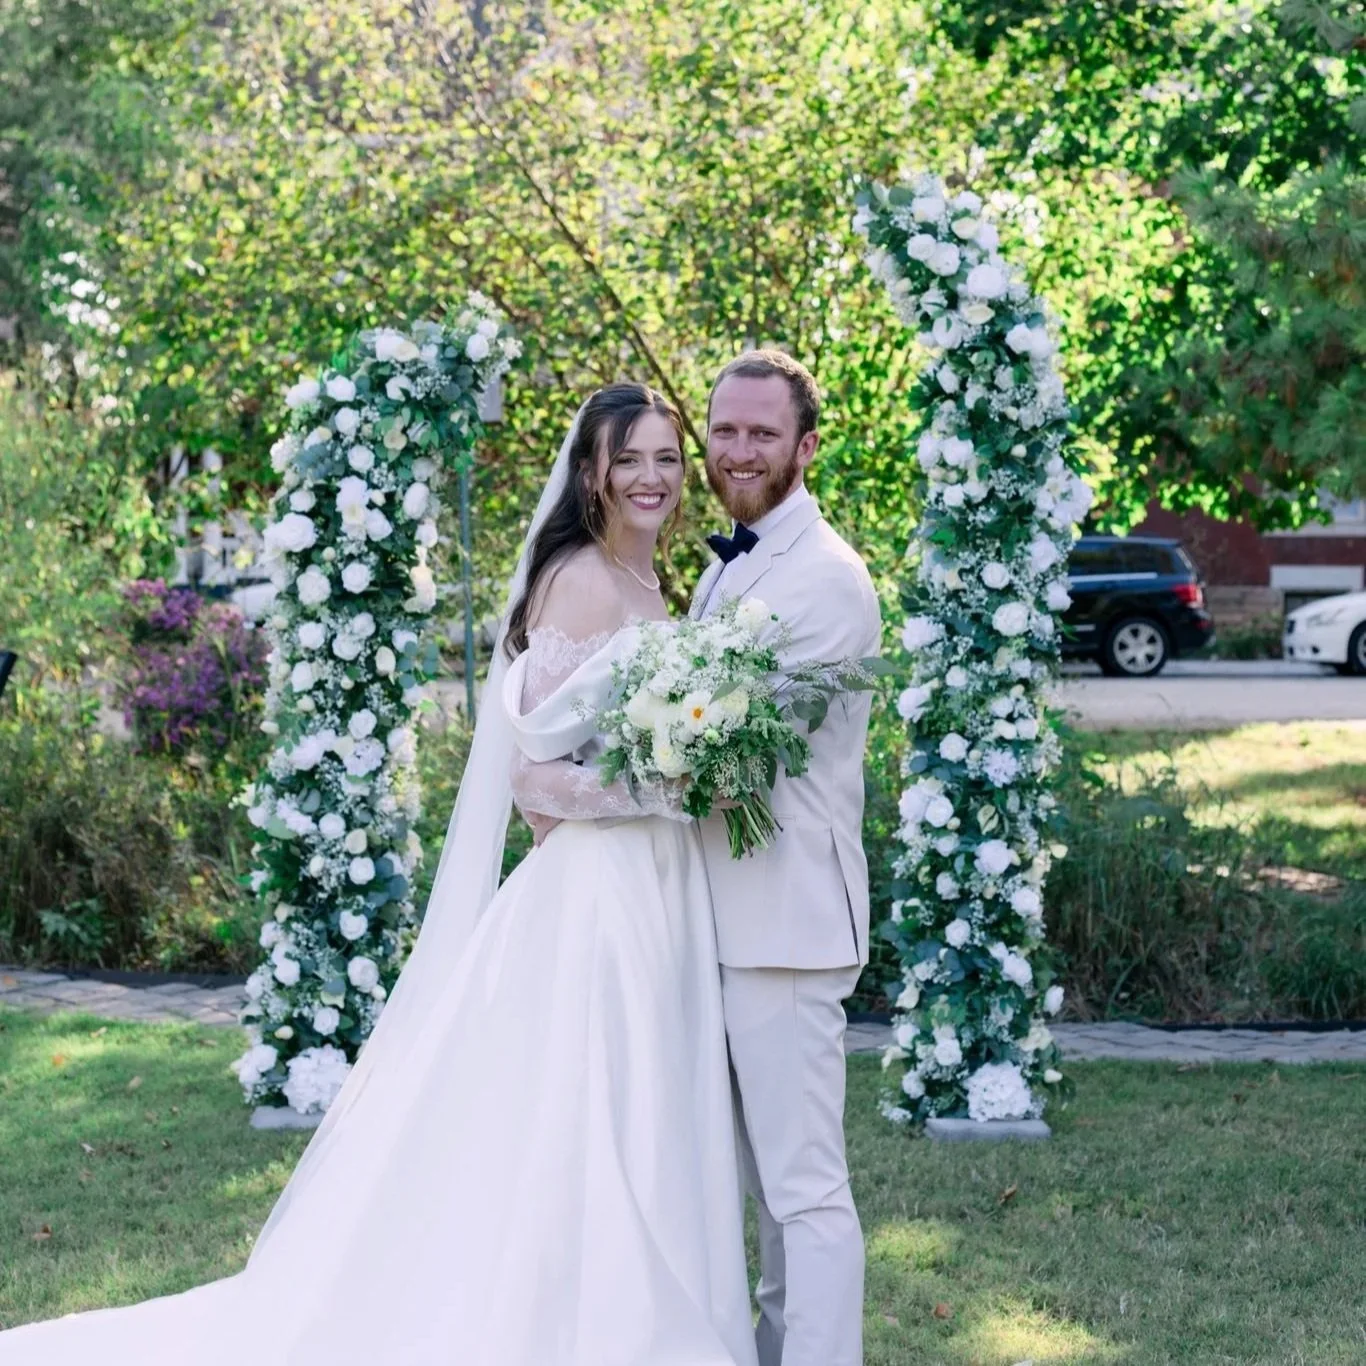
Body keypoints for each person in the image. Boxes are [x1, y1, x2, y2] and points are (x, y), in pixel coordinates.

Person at [0, 383, 758, 1366]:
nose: (652, 477)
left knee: (646, 1105)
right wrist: (662, 790)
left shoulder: (661, 585)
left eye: (665, 456)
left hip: (661, 890)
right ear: (592, 474)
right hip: (596, 900)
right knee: (590, 1115)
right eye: (631, 460)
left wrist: (697, 768)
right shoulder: (578, 579)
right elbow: (534, 780)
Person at [697, 350, 881, 1366]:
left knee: (803, 1188)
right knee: (756, 1186)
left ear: (805, 448)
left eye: (761, 433)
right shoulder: (729, 560)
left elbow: (728, 753)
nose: (738, 450)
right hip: (721, 920)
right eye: (725, 430)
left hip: (787, 928)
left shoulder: (825, 578)